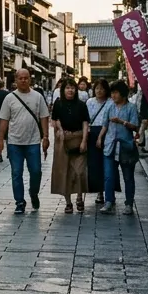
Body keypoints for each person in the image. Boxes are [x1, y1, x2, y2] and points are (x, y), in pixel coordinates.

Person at [0, 68, 50, 214]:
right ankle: (19, 201)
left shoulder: (38, 97)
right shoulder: (9, 98)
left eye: (26, 78)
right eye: (21, 78)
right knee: (16, 173)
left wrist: (46, 137)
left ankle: (34, 193)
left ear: (30, 79)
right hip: (15, 142)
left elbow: (44, 117)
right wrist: (0, 140)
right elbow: (4, 120)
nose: (24, 80)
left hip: (33, 141)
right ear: (16, 80)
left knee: (36, 171)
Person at [100, 79, 141, 215]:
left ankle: (129, 203)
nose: (113, 95)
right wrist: (100, 138)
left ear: (123, 94)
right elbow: (105, 124)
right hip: (110, 145)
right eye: (112, 93)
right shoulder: (109, 106)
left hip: (125, 146)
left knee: (128, 177)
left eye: (116, 92)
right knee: (108, 176)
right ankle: (109, 201)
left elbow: (135, 126)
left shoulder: (131, 107)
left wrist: (122, 122)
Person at [50, 77, 90, 214]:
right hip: (63, 141)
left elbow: (85, 123)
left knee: (79, 171)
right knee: (64, 172)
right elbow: (55, 120)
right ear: (63, 90)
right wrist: (60, 130)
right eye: (67, 88)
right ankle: (68, 202)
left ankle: (79, 197)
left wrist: (84, 140)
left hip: (78, 138)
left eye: (72, 87)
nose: (70, 90)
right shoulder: (58, 104)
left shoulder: (81, 105)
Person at [86, 79, 114, 204]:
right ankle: (99, 192)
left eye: (102, 88)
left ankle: (109, 192)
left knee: (108, 164)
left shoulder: (110, 102)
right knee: (95, 164)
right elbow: (86, 119)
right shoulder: (89, 102)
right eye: (97, 88)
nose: (99, 91)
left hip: (107, 133)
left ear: (106, 90)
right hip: (92, 133)